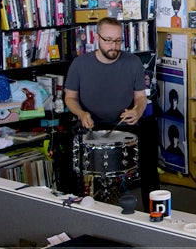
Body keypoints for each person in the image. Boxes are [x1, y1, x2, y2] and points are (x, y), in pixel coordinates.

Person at [64, 17, 159, 211]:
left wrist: (137, 111)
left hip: (123, 121)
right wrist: (81, 113)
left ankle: (155, 211)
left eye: (117, 41)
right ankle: (72, 206)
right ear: (96, 38)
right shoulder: (80, 64)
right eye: (108, 40)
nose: (113, 46)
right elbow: (70, 98)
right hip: (90, 122)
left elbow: (140, 97)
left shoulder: (132, 62)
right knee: (68, 152)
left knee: (149, 144)